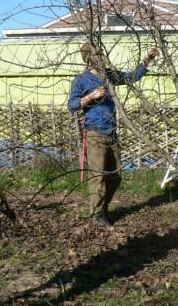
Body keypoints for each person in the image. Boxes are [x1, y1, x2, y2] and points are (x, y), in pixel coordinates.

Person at [68, 43, 158, 226]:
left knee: (115, 175)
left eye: (101, 54)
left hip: (111, 131)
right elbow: (72, 105)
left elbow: (130, 77)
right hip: (94, 132)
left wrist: (146, 61)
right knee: (98, 175)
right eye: (97, 55)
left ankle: (103, 207)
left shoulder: (108, 75)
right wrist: (91, 96)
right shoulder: (81, 80)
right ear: (88, 58)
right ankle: (97, 214)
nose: (101, 57)